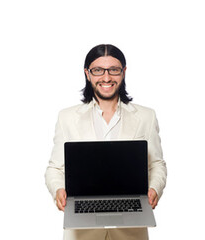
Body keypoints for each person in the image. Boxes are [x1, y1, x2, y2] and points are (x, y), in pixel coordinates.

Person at [44, 44, 167, 240]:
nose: (107, 77)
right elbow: (55, 168)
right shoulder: (67, 117)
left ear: (124, 72)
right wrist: (58, 190)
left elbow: (156, 164)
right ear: (87, 73)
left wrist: (154, 189)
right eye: (98, 70)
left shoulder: (146, 116)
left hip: (131, 226)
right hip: (82, 229)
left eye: (114, 70)